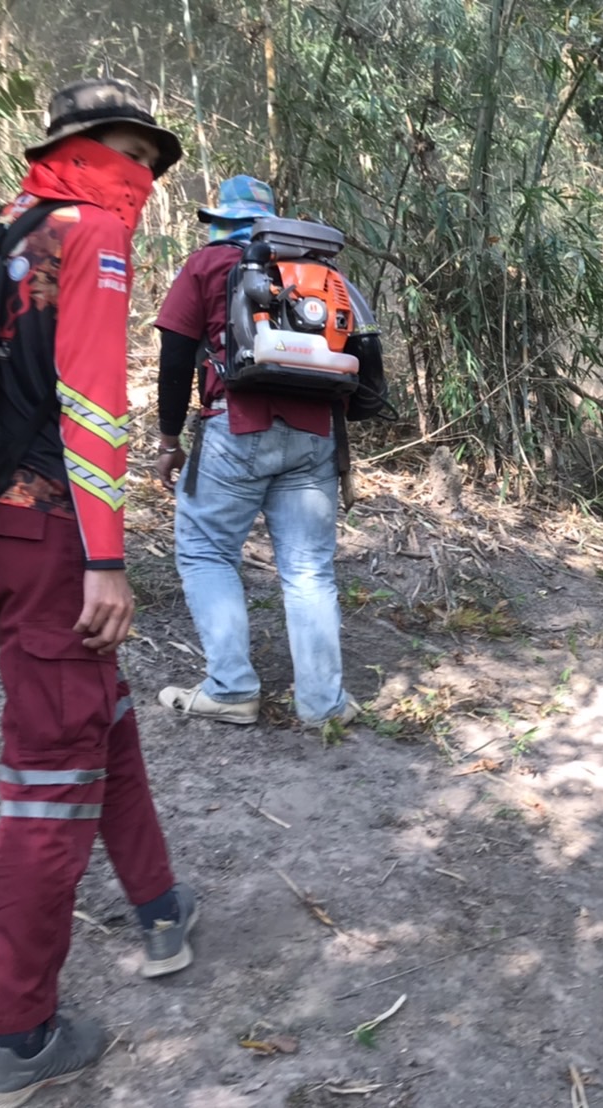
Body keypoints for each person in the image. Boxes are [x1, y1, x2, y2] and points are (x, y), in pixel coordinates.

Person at [0, 78, 198, 1108]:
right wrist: (106, 555)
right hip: (45, 527)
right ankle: (20, 1036)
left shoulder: (6, 224)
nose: (141, 177)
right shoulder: (93, 231)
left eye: (146, 159)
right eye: (129, 152)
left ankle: (162, 909)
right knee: (49, 777)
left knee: (99, 713)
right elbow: (90, 399)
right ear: (89, 148)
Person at [153, 176, 359, 728]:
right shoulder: (315, 268)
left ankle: (231, 689)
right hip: (315, 432)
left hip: (235, 428)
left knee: (205, 552)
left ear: (222, 217)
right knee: (309, 570)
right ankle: (323, 705)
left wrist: (169, 439)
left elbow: (174, 360)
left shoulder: (208, 264)